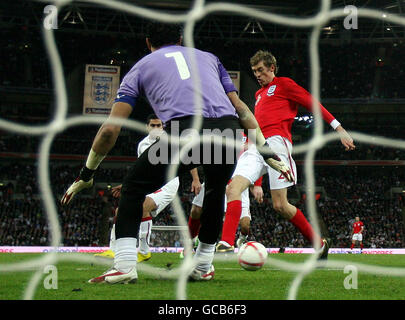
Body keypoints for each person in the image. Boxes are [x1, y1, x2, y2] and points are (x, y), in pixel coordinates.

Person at [61, 23, 291, 284]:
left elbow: (109, 131)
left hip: (185, 133)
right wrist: (266, 151)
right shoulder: (210, 58)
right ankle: (203, 265)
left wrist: (87, 173)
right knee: (215, 193)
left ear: (148, 43)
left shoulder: (141, 67)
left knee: (132, 189)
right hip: (227, 131)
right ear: (180, 39)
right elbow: (242, 110)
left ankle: (124, 265)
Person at [215, 50, 356, 259]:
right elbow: (255, 127)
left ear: (272, 68)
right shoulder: (258, 95)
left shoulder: (284, 84)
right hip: (256, 145)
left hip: (277, 144)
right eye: (254, 71)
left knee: (280, 205)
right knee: (233, 188)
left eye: (261, 70)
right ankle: (225, 243)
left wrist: (339, 128)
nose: (257, 75)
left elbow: (311, 102)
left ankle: (319, 244)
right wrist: (257, 181)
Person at [94, 114, 202, 261]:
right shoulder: (143, 145)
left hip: (168, 184)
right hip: (152, 182)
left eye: (159, 125)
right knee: (121, 209)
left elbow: (188, 159)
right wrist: (127, 185)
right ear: (147, 127)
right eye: (153, 125)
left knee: (143, 206)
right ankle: (113, 250)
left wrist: (195, 179)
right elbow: (141, 171)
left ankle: (144, 252)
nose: (156, 128)